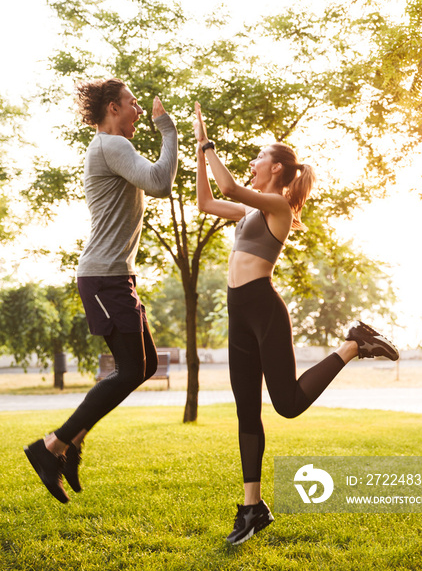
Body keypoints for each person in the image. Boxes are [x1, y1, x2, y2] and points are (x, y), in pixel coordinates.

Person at [193, 102, 399, 545]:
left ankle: (353, 345)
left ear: (277, 169)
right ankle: (252, 509)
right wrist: (197, 146)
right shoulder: (248, 212)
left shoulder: (275, 206)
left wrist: (208, 140)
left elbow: (227, 183)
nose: (252, 162)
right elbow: (206, 199)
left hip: (264, 310)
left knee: (285, 403)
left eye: (259, 157)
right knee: (246, 409)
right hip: (237, 311)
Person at [24, 78, 178, 504]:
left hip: (115, 276)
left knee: (143, 367)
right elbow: (161, 183)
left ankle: (72, 442)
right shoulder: (113, 146)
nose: (137, 112)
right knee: (130, 370)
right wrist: (168, 129)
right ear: (113, 108)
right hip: (105, 278)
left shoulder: (110, 148)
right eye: (132, 104)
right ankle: (51, 447)